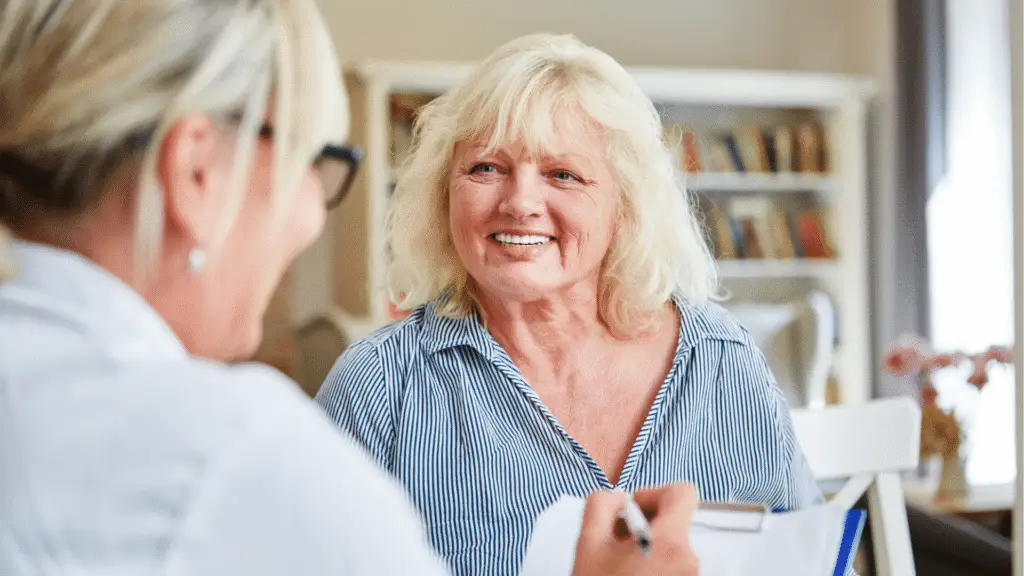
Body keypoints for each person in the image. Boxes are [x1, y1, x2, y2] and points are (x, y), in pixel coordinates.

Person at [0, 2, 701, 575]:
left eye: (565, 175)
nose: (312, 213)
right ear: (196, 173)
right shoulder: (238, 451)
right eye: (315, 160)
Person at [316, 32, 824, 576]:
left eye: (563, 174)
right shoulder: (376, 387)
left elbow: (810, 557)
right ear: (445, 191)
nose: (520, 202)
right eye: (487, 167)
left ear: (623, 206)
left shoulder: (722, 359)